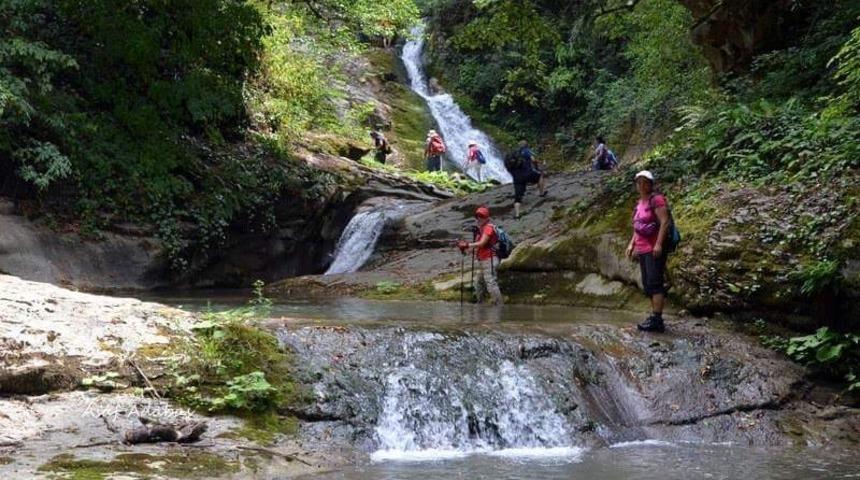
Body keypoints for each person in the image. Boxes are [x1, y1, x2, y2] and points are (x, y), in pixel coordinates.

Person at [625, 170, 671, 332]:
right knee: (648, 284)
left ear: (650, 184)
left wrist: (658, 244)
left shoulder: (656, 200)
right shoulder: (640, 203)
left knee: (655, 283)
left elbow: (664, 222)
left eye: (645, 182)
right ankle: (654, 316)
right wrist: (632, 244)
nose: (642, 185)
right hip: (643, 249)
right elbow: (637, 226)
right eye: (639, 182)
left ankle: (657, 320)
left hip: (654, 248)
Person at [457, 206, 503, 305]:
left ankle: (499, 306)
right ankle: (480, 304)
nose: (479, 218)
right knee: (479, 283)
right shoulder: (480, 230)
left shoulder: (488, 228)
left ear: (487, 217)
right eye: (477, 216)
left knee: (491, 283)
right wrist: (464, 249)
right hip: (482, 260)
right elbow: (476, 246)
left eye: (482, 216)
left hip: (490, 259)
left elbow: (482, 243)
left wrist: (467, 244)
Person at [505, 140, 546, 219]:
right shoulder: (526, 151)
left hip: (517, 177)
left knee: (518, 197)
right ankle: (541, 193)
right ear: (527, 145)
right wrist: (537, 167)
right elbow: (533, 160)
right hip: (527, 174)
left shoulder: (514, 154)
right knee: (540, 176)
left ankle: (517, 214)